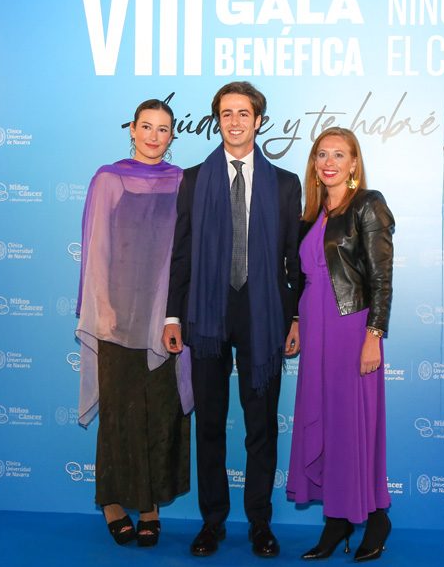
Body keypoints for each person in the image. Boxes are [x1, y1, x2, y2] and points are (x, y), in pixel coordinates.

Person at [163, 81, 301, 558]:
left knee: (261, 425)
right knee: (210, 423)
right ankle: (212, 522)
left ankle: (260, 523)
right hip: (206, 312)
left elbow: (293, 260)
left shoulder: (284, 184)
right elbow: (181, 253)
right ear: (217, 121)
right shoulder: (193, 180)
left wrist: (294, 317)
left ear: (258, 121)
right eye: (226, 114)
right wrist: (173, 315)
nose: (235, 122)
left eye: (244, 113)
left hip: (263, 313)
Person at [75, 96, 193, 548]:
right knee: (120, 414)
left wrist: (177, 313)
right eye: (147, 126)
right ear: (132, 129)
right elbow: (96, 247)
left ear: (172, 135)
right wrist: (101, 308)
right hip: (117, 317)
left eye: (163, 129)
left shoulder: (182, 181)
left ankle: (149, 506)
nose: (153, 136)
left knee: (160, 414)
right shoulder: (108, 178)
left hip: (166, 319)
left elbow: (186, 252)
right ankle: (111, 502)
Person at [286, 127, 395, 562]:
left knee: (352, 425)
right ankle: (336, 520)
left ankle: (377, 517)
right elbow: (302, 277)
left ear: (353, 163)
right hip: (315, 328)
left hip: (352, 328)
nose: (328, 162)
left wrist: (374, 335)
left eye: (338, 154)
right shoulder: (310, 215)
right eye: (321, 154)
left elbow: (382, 279)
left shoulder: (368, 204)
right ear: (314, 164)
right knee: (324, 421)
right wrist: (296, 320)